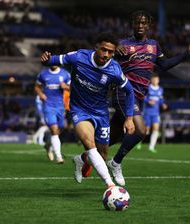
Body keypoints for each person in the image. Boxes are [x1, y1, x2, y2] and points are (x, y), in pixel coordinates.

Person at [83, 10, 190, 186]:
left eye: (143, 23)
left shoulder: (154, 45)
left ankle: (85, 157)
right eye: (137, 23)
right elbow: (103, 59)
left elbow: (166, 65)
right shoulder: (122, 44)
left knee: (107, 142)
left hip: (139, 97)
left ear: (149, 25)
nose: (140, 26)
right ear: (132, 24)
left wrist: (187, 53)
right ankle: (115, 163)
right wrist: (114, 52)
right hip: (123, 93)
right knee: (141, 130)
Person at [40, 32, 135, 189]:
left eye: (111, 52)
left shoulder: (114, 70)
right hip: (79, 110)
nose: (106, 54)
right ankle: (110, 186)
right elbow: (53, 60)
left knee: (102, 154)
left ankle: (81, 159)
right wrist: (46, 59)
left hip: (101, 113)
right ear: (96, 47)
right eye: (103, 49)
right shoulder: (79, 57)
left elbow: (130, 92)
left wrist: (129, 118)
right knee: (89, 143)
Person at [34, 65, 71, 163]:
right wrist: (41, 94)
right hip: (48, 106)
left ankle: (48, 146)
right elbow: (37, 87)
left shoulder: (65, 74)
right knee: (54, 130)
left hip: (60, 106)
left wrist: (66, 87)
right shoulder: (43, 74)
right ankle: (59, 157)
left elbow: (73, 88)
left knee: (58, 130)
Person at [138, 73, 167, 153]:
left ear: (158, 80)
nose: (155, 81)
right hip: (147, 112)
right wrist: (148, 101)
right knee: (146, 130)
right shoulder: (148, 88)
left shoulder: (160, 89)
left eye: (157, 79)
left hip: (156, 113)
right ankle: (138, 142)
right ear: (151, 80)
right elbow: (143, 97)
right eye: (154, 79)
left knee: (156, 128)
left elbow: (160, 99)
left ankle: (151, 147)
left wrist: (163, 104)